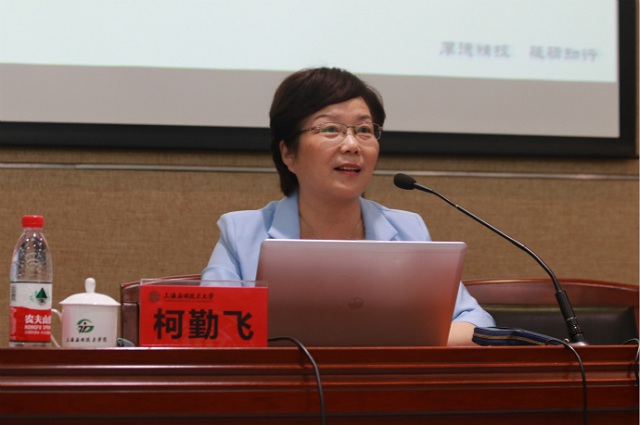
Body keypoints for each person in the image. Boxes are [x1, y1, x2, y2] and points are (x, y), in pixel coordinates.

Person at [202, 67, 495, 345]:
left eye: (364, 130)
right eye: (331, 129)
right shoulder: (242, 232)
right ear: (288, 153)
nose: (352, 145)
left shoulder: (408, 230)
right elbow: (213, 329)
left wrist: (389, 344)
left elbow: (477, 323)